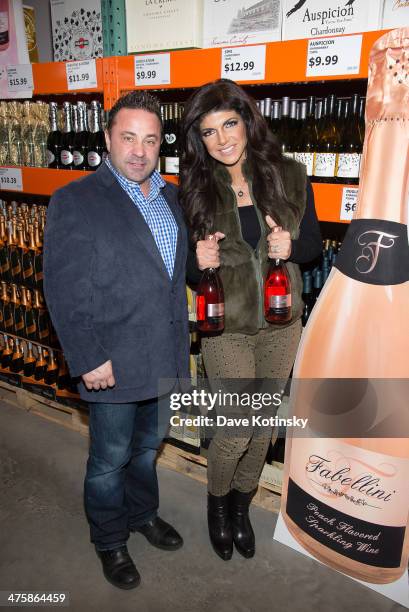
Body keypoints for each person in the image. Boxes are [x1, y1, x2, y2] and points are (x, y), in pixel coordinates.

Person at [43, 91, 190, 590]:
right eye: (128, 137)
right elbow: (62, 288)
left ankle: (142, 514)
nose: (139, 151)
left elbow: (170, 277)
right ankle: (109, 539)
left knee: (147, 449)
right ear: (107, 139)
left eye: (150, 140)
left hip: (162, 354)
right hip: (111, 362)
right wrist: (87, 357)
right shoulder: (76, 199)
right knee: (109, 460)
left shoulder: (172, 197)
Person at [179, 79, 322, 561]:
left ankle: (242, 507)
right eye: (209, 131)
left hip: (282, 325)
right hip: (227, 328)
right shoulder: (193, 188)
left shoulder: (290, 174)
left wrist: (292, 247)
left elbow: (313, 246)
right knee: (237, 426)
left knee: (262, 425)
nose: (222, 139)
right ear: (198, 139)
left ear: (247, 121)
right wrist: (199, 262)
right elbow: (190, 274)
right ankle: (217, 505)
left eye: (230, 124)